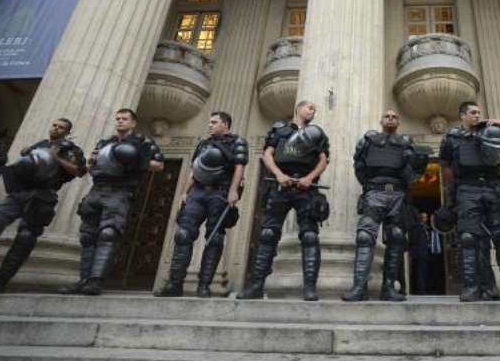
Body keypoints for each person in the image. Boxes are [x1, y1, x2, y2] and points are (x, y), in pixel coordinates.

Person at [62, 108, 163, 296]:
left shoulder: (143, 142)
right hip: (96, 189)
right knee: (87, 236)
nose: (120, 121)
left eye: (124, 119)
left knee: (108, 234)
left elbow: (158, 165)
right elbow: (90, 165)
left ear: (133, 123)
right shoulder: (104, 141)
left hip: (120, 191)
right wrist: (92, 161)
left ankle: (95, 281)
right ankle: (83, 280)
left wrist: (133, 159)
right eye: (117, 118)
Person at [439, 101, 500, 302]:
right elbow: (445, 166)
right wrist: (453, 191)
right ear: (462, 115)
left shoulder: (492, 132)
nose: (477, 115)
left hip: (493, 189)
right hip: (467, 190)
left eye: (479, 112)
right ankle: (473, 288)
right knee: (469, 239)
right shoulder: (451, 138)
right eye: (473, 112)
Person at [238, 100, 329, 301]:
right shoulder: (279, 131)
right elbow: (267, 155)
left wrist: (309, 178)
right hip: (281, 186)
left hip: (306, 188)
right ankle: (256, 287)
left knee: (310, 237)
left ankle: (310, 289)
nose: (312, 110)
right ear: (298, 108)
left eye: (315, 108)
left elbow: (323, 160)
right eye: (309, 107)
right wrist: (278, 174)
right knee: (268, 233)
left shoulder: (317, 134)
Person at [155, 112, 247, 298]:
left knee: (214, 239)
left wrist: (233, 190)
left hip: (220, 192)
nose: (210, 125)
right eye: (209, 122)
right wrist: (184, 192)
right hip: (197, 192)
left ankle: (204, 286)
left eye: (214, 122)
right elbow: (194, 170)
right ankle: (175, 284)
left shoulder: (237, 142)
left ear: (225, 125)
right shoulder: (203, 144)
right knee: (183, 235)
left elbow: (239, 167)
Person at [342, 110, 428, 302]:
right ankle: (359, 287)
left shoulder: (406, 144)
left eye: (395, 116)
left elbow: (415, 172)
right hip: (374, 192)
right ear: (381, 120)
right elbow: (359, 166)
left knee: (397, 237)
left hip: (398, 194)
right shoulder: (369, 141)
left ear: (398, 122)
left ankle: (388, 288)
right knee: (365, 236)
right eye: (387, 116)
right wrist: (371, 185)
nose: (391, 118)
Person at [0, 119, 86, 292]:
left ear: (67, 132)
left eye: (61, 128)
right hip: (19, 193)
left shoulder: (71, 149)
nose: (56, 129)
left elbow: (79, 171)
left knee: (25, 238)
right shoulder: (41, 144)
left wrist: (56, 157)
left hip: (43, 196)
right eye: (55, 125)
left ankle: (0, 281)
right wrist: (27, 153)